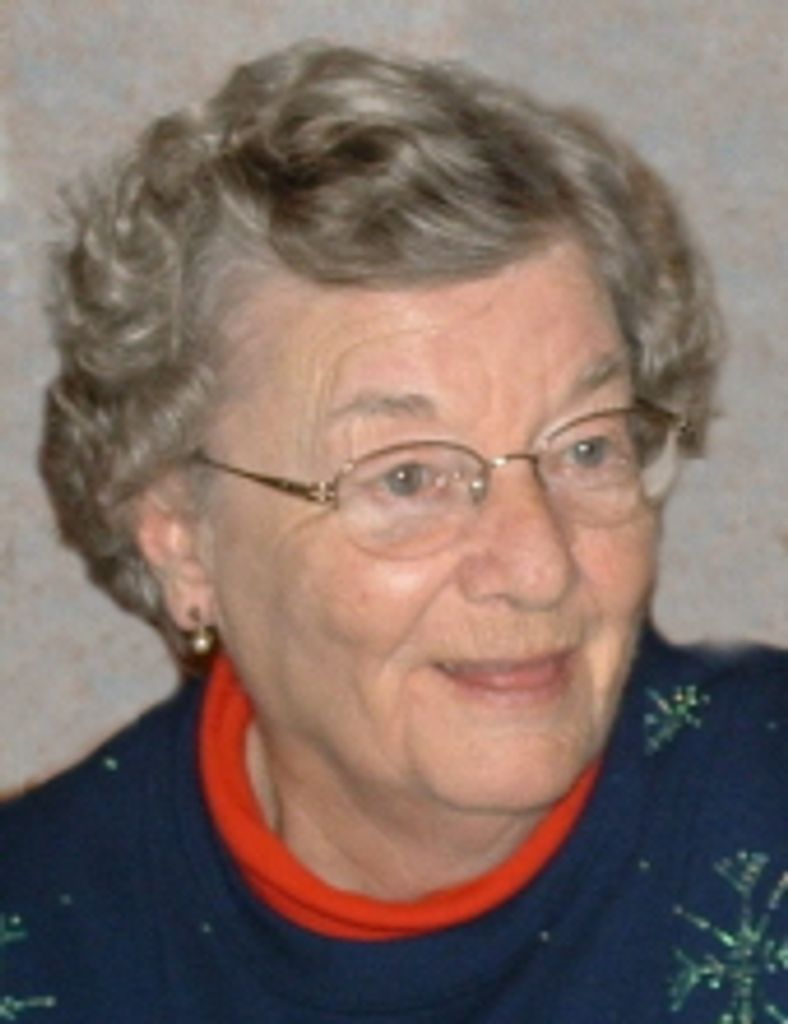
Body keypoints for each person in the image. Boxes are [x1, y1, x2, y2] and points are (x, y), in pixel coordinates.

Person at [3, 41, 788, 1023]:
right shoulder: (41, 942)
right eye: (408, 477)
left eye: (586, 449)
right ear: (180, 540)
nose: (537, 566)